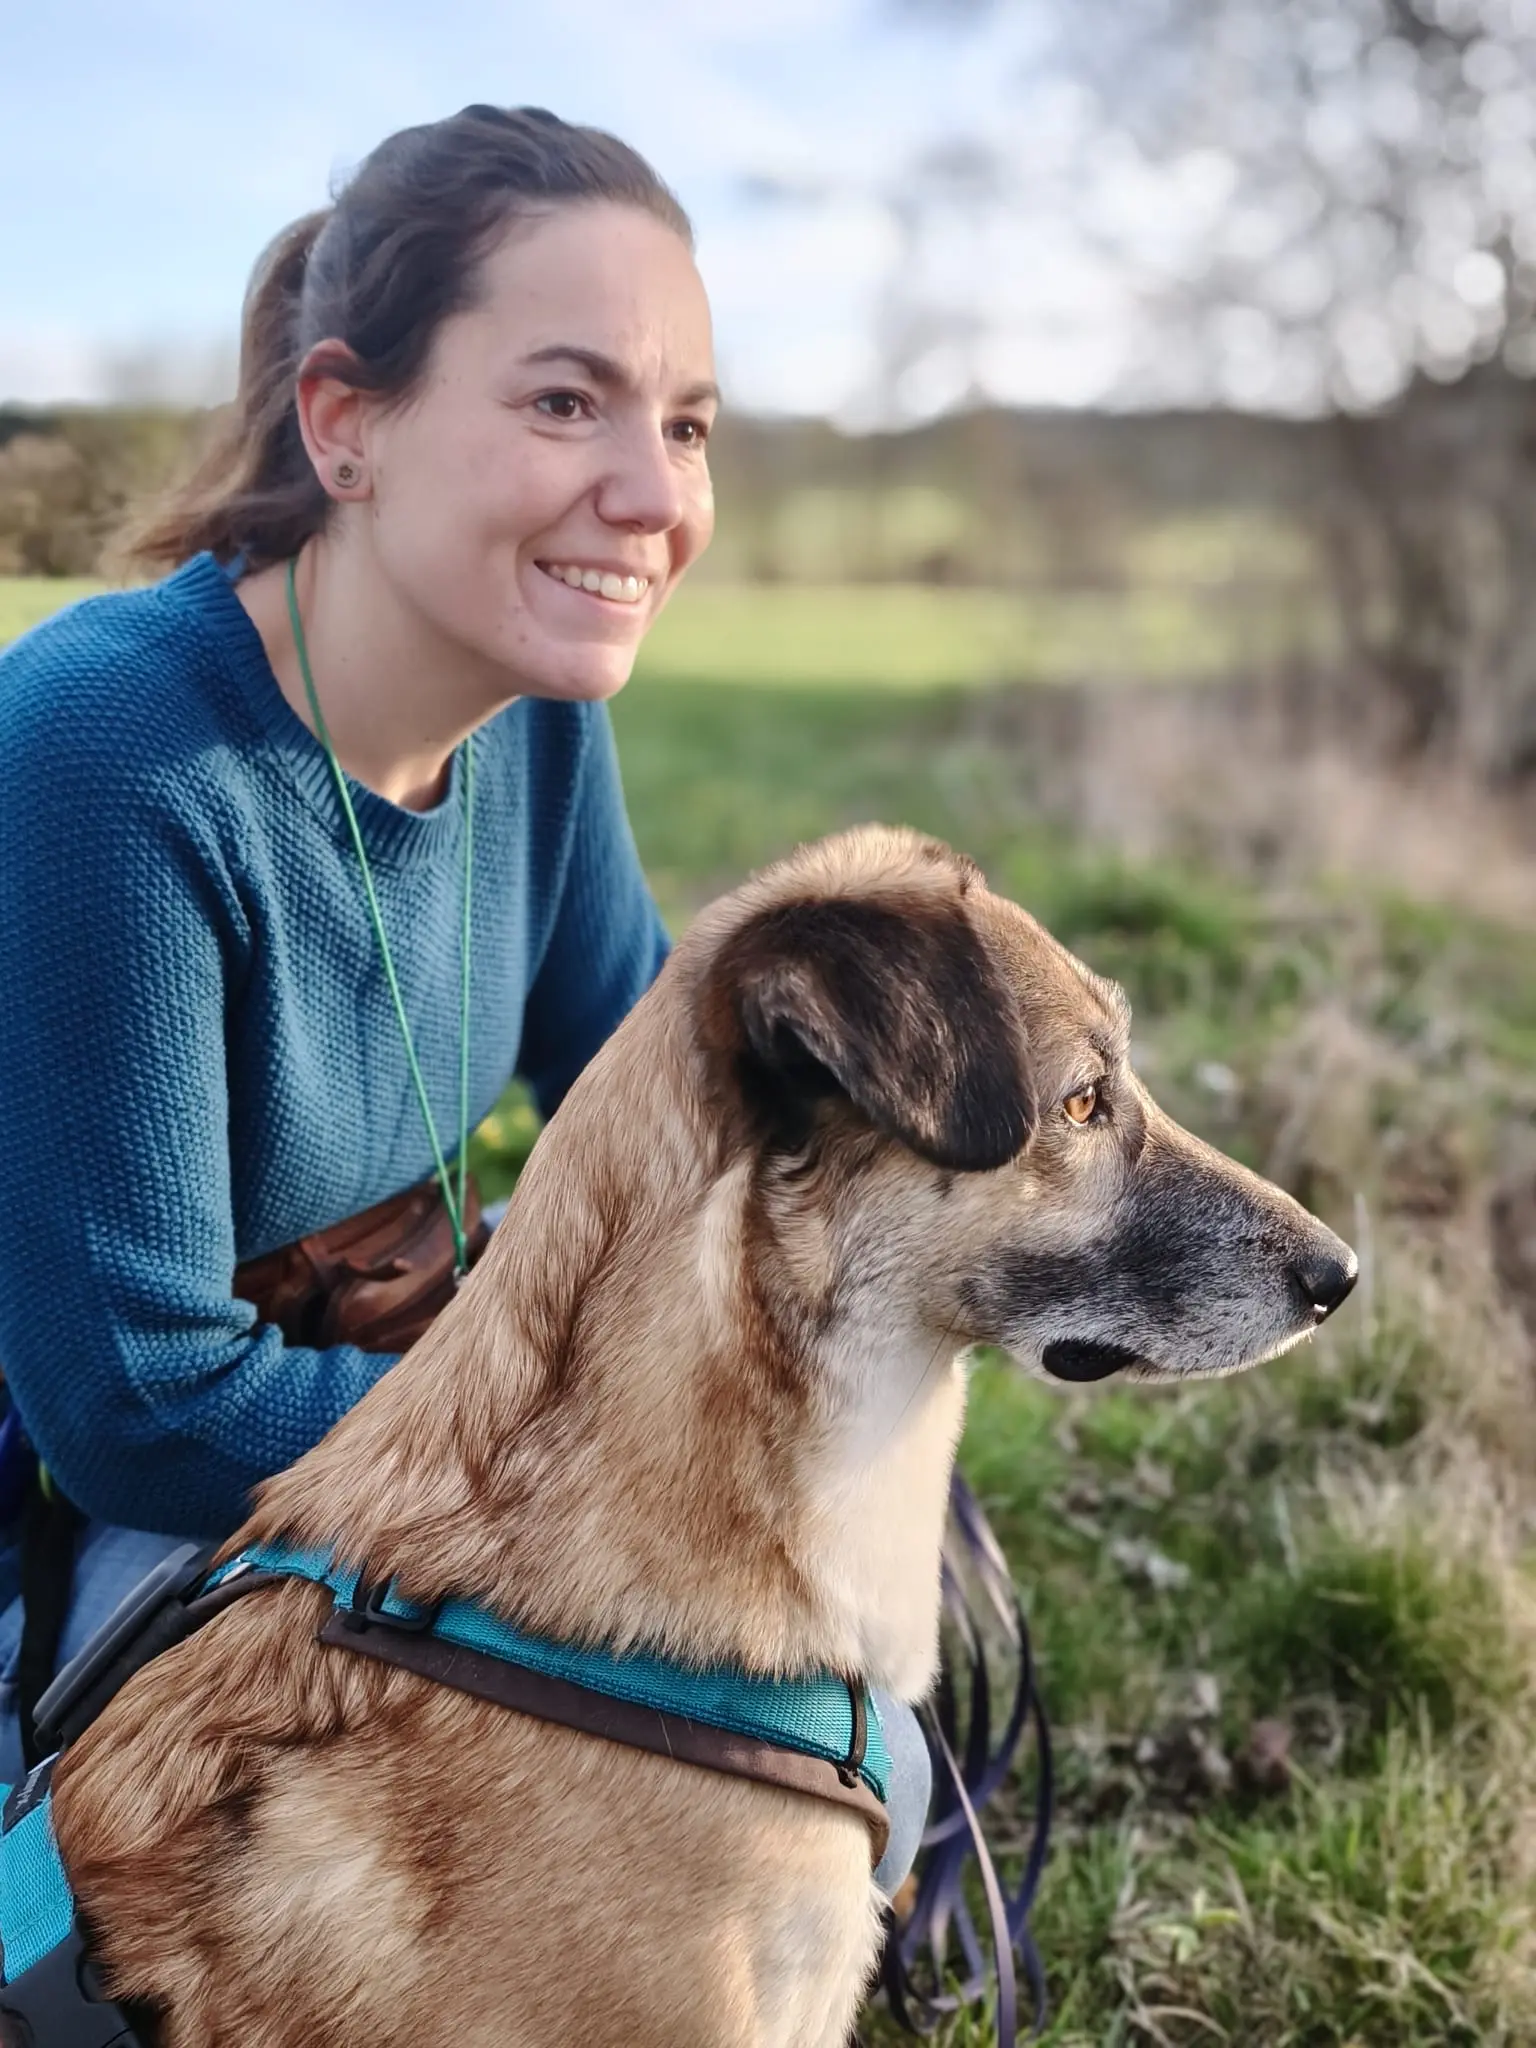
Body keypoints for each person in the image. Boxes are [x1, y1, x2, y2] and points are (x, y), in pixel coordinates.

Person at [0, 103, 930, 1888]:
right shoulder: (108, 755)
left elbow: (667, 1103)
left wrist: (857, 1347)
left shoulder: (540, 717)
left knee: (850, 1750)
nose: (654, 496)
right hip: (116, 1501)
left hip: (394, 1396)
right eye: (566, 403)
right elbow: (135, 1408)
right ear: (345, 424)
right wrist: (607, 1451)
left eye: (687, 425)